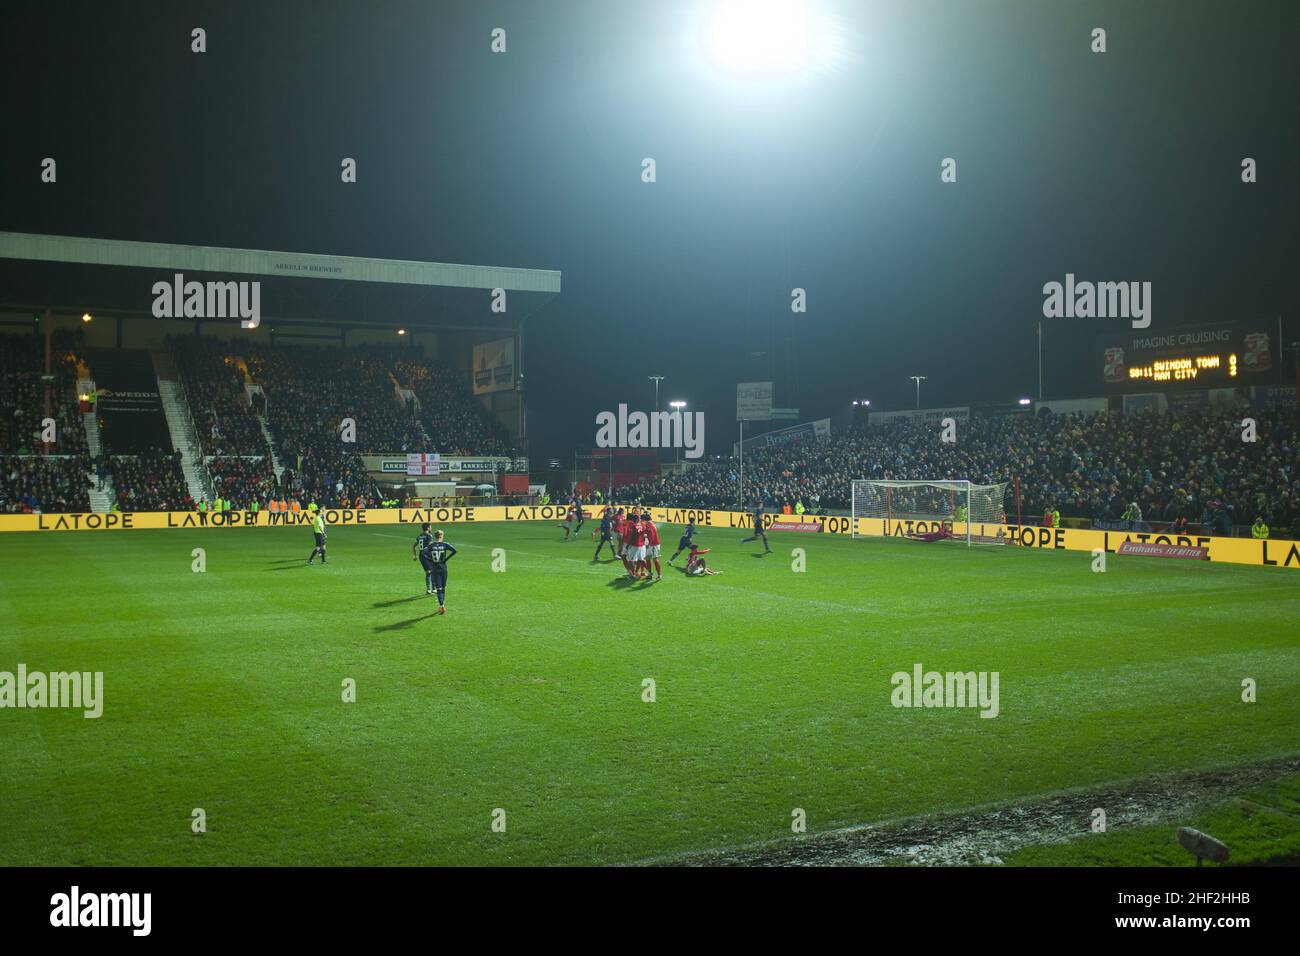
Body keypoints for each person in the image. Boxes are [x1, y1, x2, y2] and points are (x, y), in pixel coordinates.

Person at [424, 529, 457, 613]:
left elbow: (423, 553)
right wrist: (446, 559)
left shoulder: (431, 546)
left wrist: (431, 560)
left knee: (439, 588)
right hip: (443, 568)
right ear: (441, 536)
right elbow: (454, 551)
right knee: (443, 587)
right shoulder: (445, 544)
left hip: (435, 569)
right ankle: (442, 604)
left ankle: (441, 605)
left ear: (435, 536)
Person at [412, 522, 438, 594]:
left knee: (428, 572)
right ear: (428, 528)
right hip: (428, 555)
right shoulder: (429, 535)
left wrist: (414, 555)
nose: (431, 528)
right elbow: (430, 546)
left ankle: (428, 589)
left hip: (421, 555)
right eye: (430, 526)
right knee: (433, 571)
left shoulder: (419, 536)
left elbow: (414, 546)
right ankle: (434, 588)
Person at [643, 512, 663, 581]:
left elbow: (651, 536)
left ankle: (659, 575)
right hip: (650, 544)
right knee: (647, 558)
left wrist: (648, 544)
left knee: (655, 559)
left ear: (645, 520)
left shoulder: (649, 526)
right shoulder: (650, 524)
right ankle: (650, 574)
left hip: (654, 544)